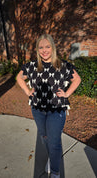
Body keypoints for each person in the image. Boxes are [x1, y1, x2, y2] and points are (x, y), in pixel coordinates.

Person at [17, 34, 81, 178]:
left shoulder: (63, 65)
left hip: (56, 110)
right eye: (41, 47)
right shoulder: (32, 66)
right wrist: (28, 91)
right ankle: (52, 160)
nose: (44, 50)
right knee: (44, 137)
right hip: (38, 110)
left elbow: (77, 79)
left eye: (47, 47)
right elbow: (19, 77)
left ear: (52, 47)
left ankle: (55, 172)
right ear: (37, 49)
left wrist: (67, 94)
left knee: (55, 142)